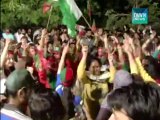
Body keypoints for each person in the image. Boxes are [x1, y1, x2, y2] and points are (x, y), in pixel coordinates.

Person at [77, 44, 115, 119]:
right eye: (93, 67)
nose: (96, 69)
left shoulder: (105, 76)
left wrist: (111, 62)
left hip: (103, 111)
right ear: (89, 68)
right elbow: (80, 75)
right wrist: (84, 56)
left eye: (97, 67)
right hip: (89, 111)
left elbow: (113, 78)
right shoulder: (87, 78)